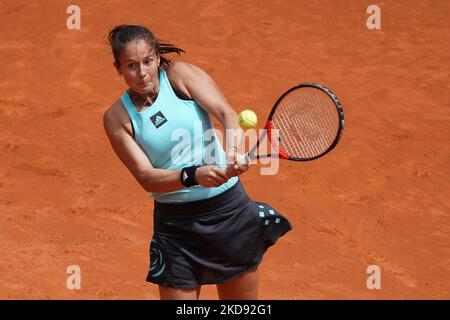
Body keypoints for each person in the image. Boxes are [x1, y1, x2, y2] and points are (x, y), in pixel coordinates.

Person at [103, 24, 292, 300]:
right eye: (131, 65)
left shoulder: (180, 77)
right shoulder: (117, 117)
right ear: (118, 68)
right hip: (176, 230)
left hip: (229, 214)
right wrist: (192, 175)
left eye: (147, 61)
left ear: (157, 57)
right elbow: (145, 177)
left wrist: (233, 151)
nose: (142, 73)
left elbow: (226, 114)